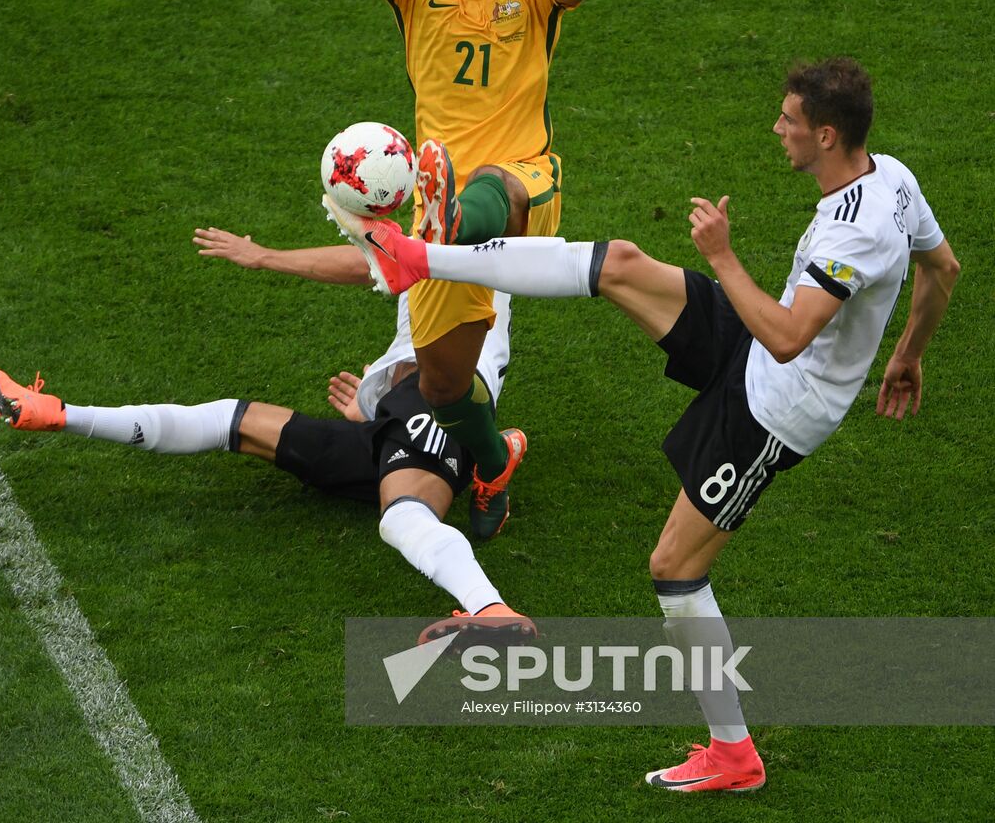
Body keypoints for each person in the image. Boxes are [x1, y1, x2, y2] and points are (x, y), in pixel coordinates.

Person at [323, 57, 961, 792]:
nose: (775, 129)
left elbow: (788, 336)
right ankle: (421, 259)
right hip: (761, 348)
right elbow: (942, 269)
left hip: (776, 407)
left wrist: (720, 256)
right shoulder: (893, 177)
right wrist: (905, 355)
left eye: (787, 121)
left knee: (675, 569)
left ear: (824, 134)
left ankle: (734, 754)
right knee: (620, 264)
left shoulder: (857, 231)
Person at [0, 287, 533, 645]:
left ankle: (494, 610)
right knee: (230, 419)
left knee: (403, 518)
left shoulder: (459, 248)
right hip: (394, 414)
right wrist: (373, 403)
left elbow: (363, 264)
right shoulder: (437, 244)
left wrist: (260, 259)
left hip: (441, 404)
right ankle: (57, 414)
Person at [327, 0, 594, 539]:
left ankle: (451, 221)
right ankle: (492, 460)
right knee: (441, 385)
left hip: (520, 179)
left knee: (486, 190)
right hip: (430, 206)